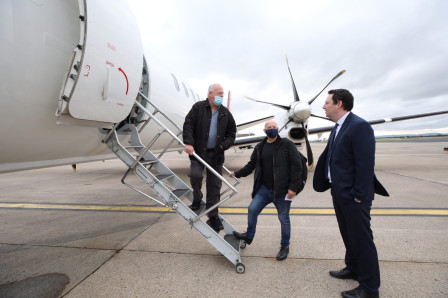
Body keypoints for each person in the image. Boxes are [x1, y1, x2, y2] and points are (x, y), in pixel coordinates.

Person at [313, 89, 389, 298]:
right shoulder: (339, 127)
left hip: (354, 197)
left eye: (327, 102)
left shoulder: (359, 126)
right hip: (339, 192)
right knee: (349, 236)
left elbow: (365, 165)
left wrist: (358, 196)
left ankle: (369, 288)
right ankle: (353, 267)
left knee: (362, 240)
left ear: (339, 104)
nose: (323, 106)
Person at [229, 120, 302, 261]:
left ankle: (285, 246)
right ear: (264, 131)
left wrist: (293, 188)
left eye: (274, 127)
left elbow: (296, 166)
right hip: (264, 189)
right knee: (252, 209)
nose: (272, 129)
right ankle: (249, 236)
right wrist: (237, 173)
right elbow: (251, 165)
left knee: (284, 219)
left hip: (282, 191)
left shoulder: (287, 144)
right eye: (269, 127)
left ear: (278, 129)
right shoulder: (260, 147)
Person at [183, 84, 236, 232]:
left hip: (216, 154)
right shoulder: (198, 107)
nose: (222, 97)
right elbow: (188, 125)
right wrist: (189, 142)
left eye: (223, 94)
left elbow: (232, 133)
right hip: (198, 152)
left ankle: (213, 216)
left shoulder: (225, 113)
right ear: (211, 94)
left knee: (214, 187)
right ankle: (197, 198)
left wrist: (223, 146)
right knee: (195, 176)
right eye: (220, 94)